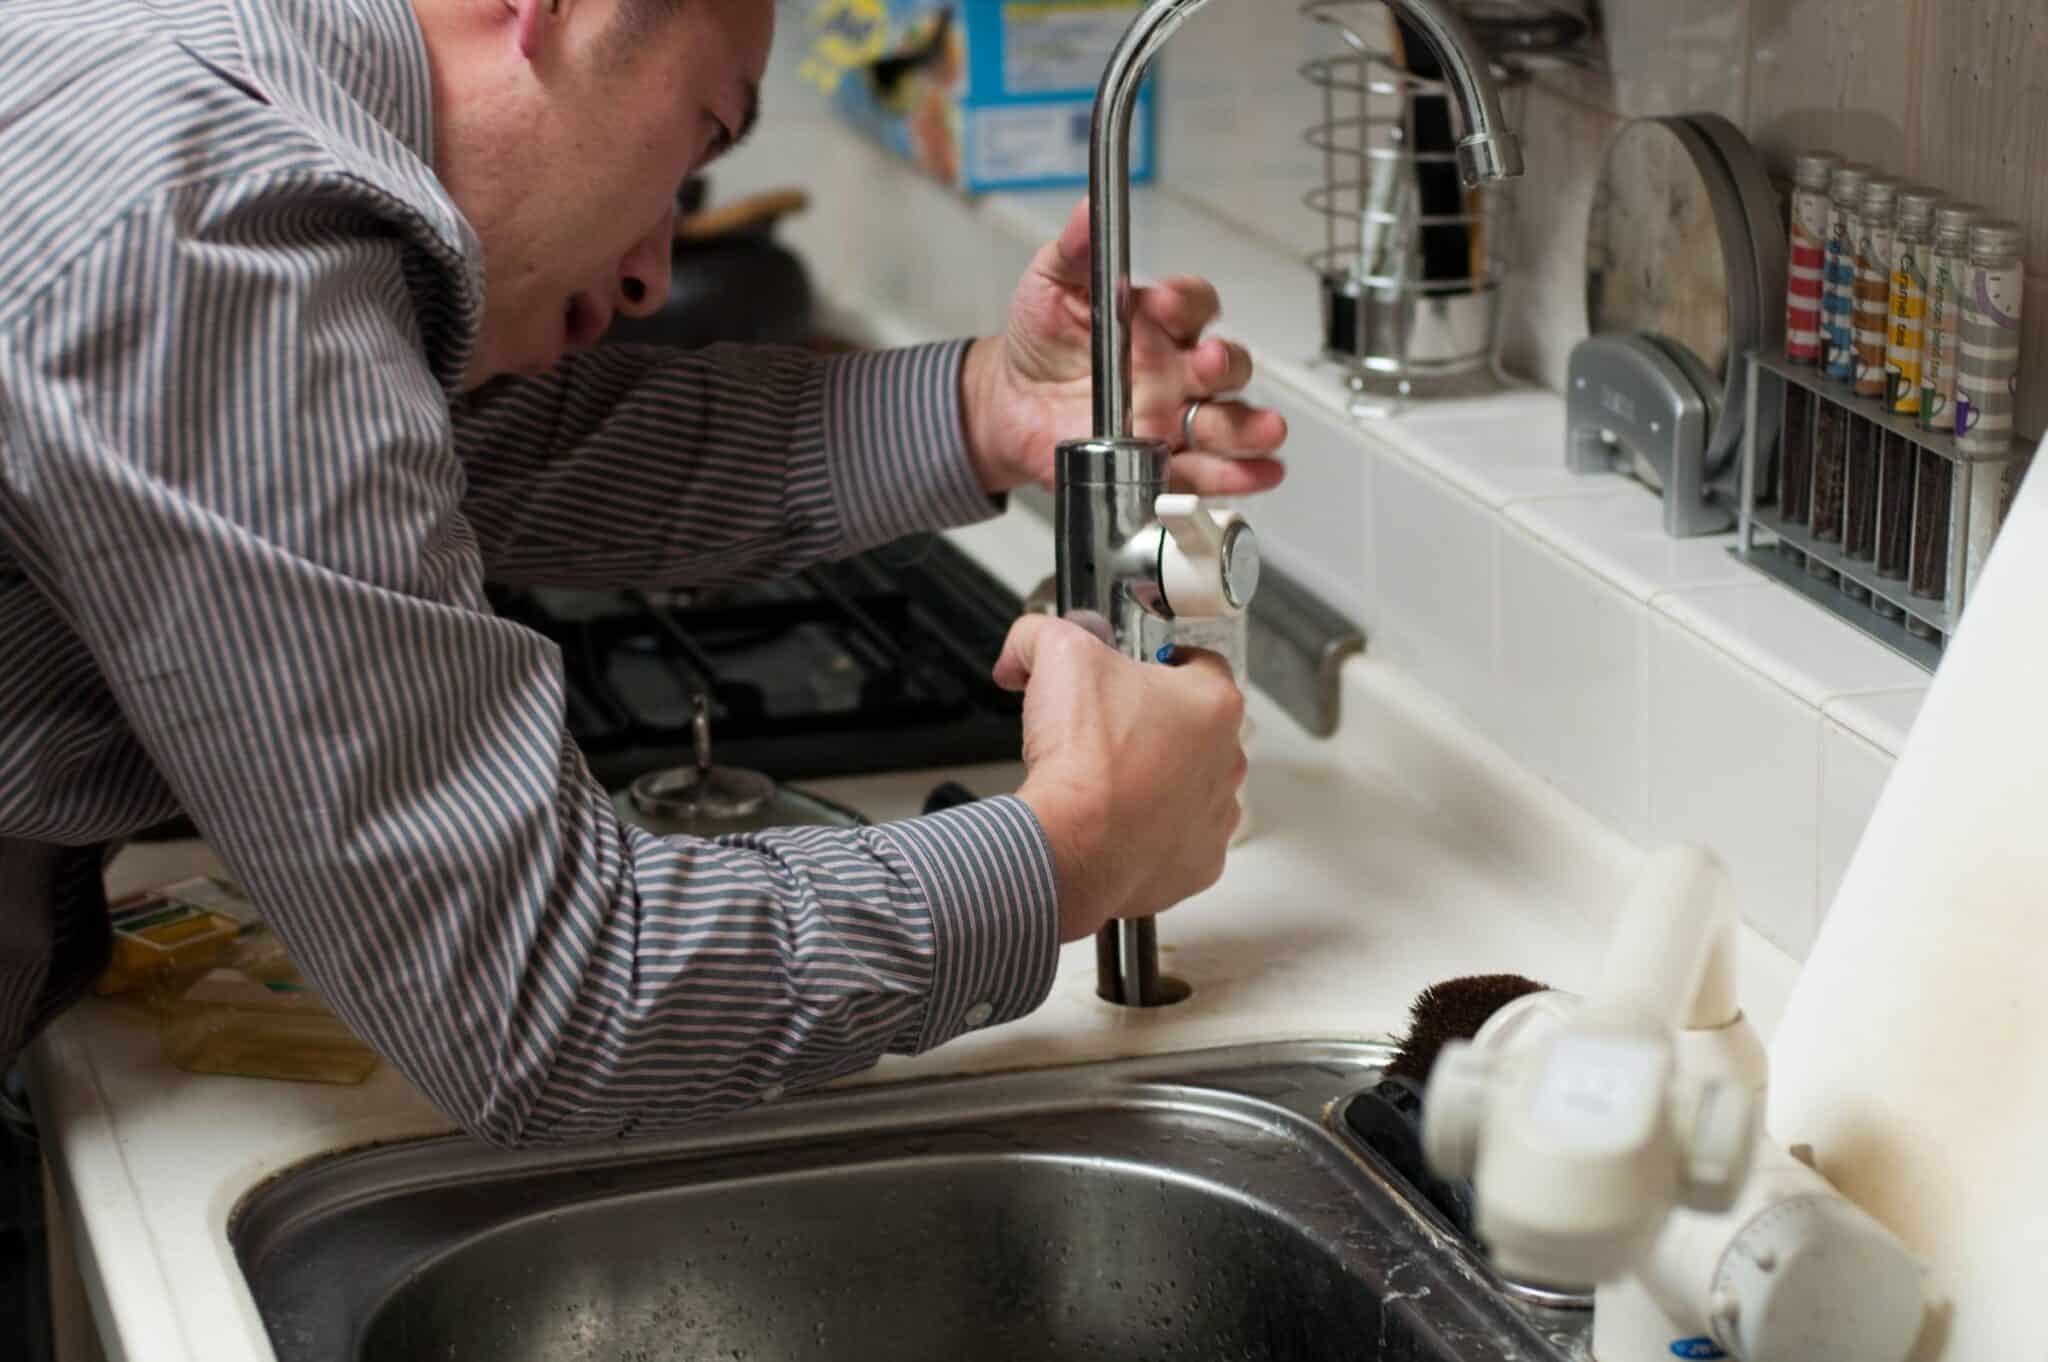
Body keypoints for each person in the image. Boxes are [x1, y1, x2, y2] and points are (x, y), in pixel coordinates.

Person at [0, 0, 1288, 1146]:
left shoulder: (213, 84)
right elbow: (548, 997)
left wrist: (988, 405)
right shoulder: (214, 235)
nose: (648, 271)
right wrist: (1075, 847)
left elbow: (507, 450)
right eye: (700, 136)